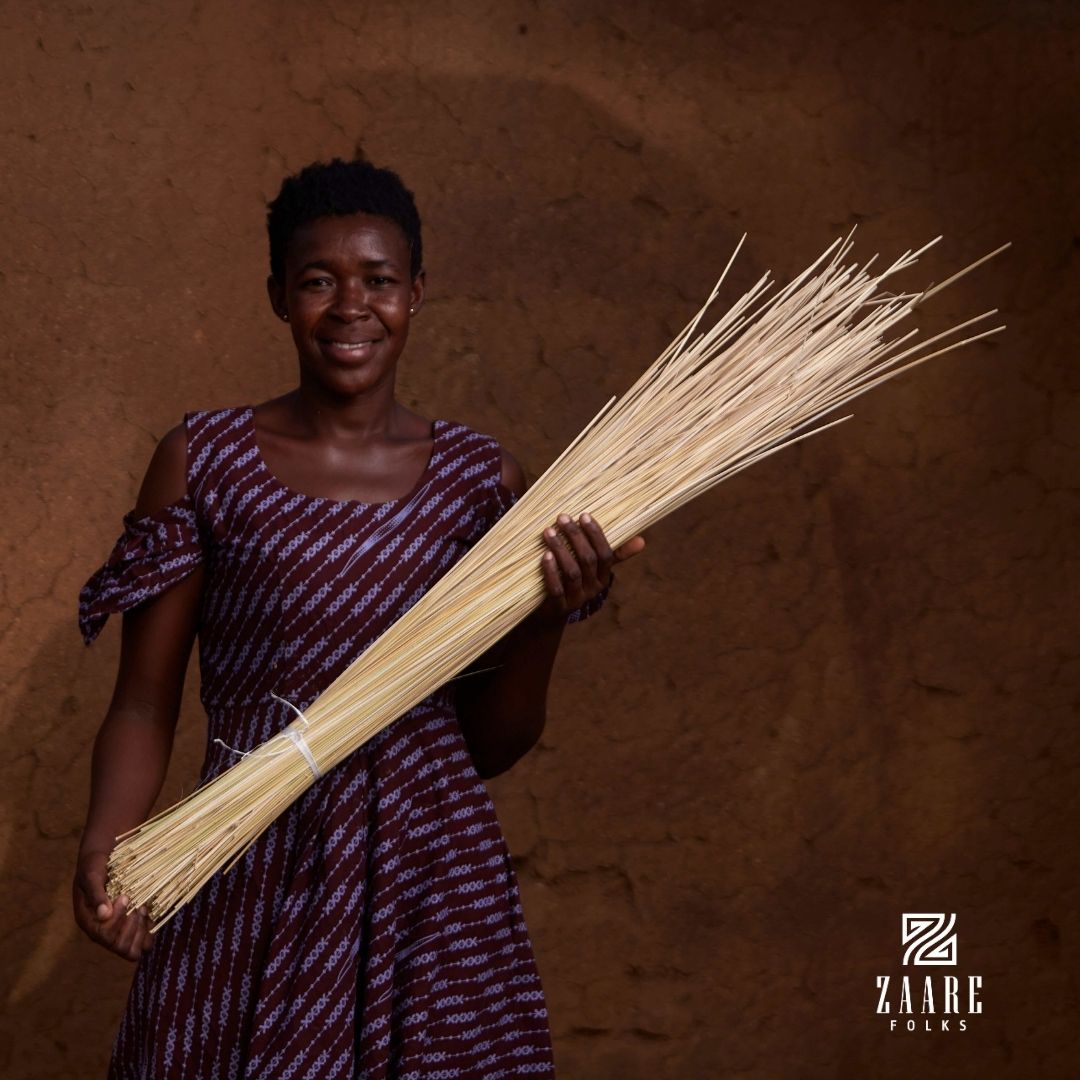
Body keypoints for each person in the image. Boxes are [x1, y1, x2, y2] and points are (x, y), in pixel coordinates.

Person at [73, 157, 646, 1079]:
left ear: (416, 293)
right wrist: (109, 838)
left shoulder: (482, 484)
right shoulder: (204, 462)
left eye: (378, 280)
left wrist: (545, 616)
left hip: (431, 883)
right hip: (246, 850)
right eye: (317, 281)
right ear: (276, 296)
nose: (350, 306)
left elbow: (488, 748)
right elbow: (144, 701)